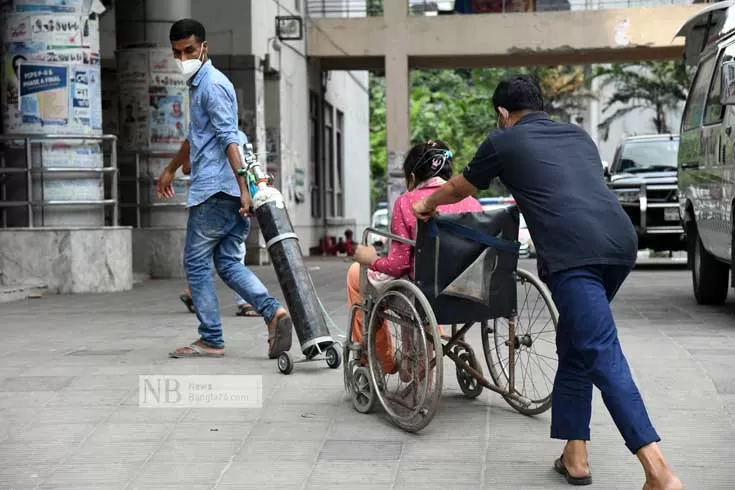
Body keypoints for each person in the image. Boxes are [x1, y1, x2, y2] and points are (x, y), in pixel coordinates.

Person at [411, 74, 682, 490]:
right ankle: (575, 456)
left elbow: (457, 188)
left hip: (575, 255)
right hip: (619, 244)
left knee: (600, 350)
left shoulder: (503, 141)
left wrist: (426, 203)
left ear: (503, 114)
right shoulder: (578, 136)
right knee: (575, 342)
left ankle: (657, 470)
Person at [158, 18, 292, 359]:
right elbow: (198, 137)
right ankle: (273, 312)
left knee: (196, 264)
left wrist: (244, 188)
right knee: (228, 264)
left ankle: (211, 338)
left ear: (204, 48)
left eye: (189, 50)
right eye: (177, 52)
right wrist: (172, 168)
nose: (183, 58)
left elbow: (229, 139)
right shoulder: (202, 84)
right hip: (227, 191)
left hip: (216, 192)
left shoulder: (211, 85)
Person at [348, 139, 482, 374]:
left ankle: (383, 360)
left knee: (355, 274)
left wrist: (371, 259)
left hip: (425, 294)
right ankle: (433, 335)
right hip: (470, 293)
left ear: (412, 177)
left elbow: (399, 265)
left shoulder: (407, 203)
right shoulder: (472, 202)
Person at [178, 129, 261, 318]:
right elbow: (247, 167)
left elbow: (186, 168)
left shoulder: (201, 133)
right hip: (237, 200)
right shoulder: (240, 136)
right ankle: (260, 305)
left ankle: (211, 326)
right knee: (231, 256)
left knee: (203, 258)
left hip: (209, 200)